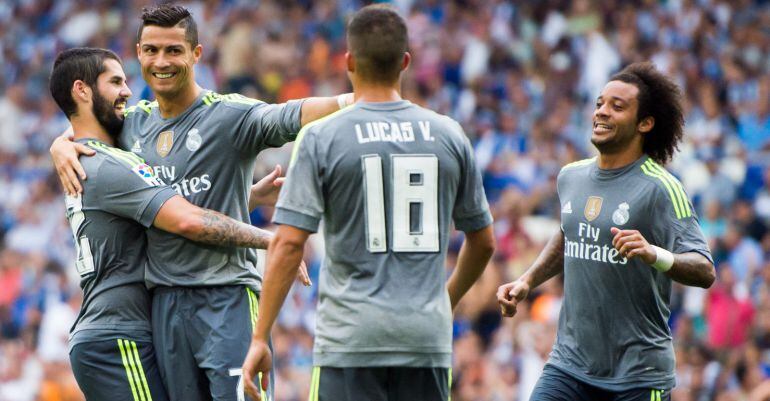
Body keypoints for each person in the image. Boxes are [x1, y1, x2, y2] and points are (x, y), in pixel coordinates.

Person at [50, 4, 345, 401]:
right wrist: (61, 144)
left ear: (196, 54)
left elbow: (295, 114)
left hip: (226, 296)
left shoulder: (229, 115)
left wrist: (367, 98)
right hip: (165, 308)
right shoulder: (131, 124)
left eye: (174, 50)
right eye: (151, 50)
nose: (161, 61)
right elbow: (86, 130)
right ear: (138, 52)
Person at [241, 5, 495, 401]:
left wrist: (260, 337)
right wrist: (446, 298)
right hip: (425, 342)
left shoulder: (322, 137)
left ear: (348, 62)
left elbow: (289, 244)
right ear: (405, 62)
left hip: (349, 341)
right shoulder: (450, 135)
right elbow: (484, 242)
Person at [496, 62, 716, 401]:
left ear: (645, 123)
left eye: (617, 106)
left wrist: (654, 254)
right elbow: (571, 233)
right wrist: (527, 281)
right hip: (570, 366)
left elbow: (705, 270)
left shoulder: (661, 188)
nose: (602, 112)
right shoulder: (571, 176)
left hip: (639, 376)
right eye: (600, 103)